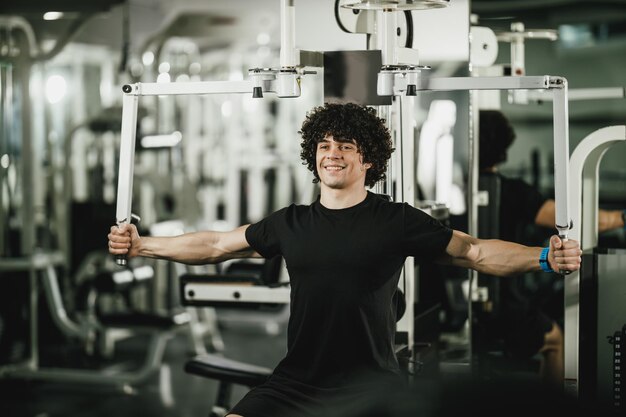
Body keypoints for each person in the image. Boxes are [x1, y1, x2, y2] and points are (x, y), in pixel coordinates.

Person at [108, 103, 582, 417]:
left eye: (345, 146)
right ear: (313, 157)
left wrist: (545, 257)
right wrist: (142, 244)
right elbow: (213, 246)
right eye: (324, 146)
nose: (332, 155)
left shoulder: (396, 220)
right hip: (294, 382)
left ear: (368, 159)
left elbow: (474, 251)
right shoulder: (290, 222)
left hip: (370, 388)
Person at [477, 109, 625, 387]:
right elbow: (574, 221)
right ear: (503, 146)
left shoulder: (457, 187)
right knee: (556, 340)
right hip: (503, 304)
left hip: (472, 307)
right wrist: (622, 218)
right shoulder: (513, 191)